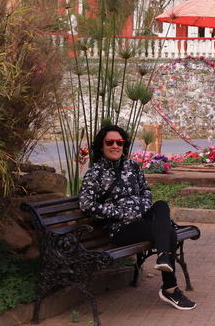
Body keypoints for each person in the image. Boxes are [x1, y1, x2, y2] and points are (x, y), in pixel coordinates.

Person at [79, 125, 196, 311]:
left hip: (140, 219)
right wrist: (119, 212)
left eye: (120, 142)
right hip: (120, 229)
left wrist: (141, 206)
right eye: (110, 142)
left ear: (124, 145)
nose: (115, 146)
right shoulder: (95, 173)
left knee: (161, 205)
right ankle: (170, 288)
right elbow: (86, 204)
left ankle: (164, 258)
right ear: (101, 146)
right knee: (168, 233)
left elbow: (145, 191)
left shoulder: (132, 166)